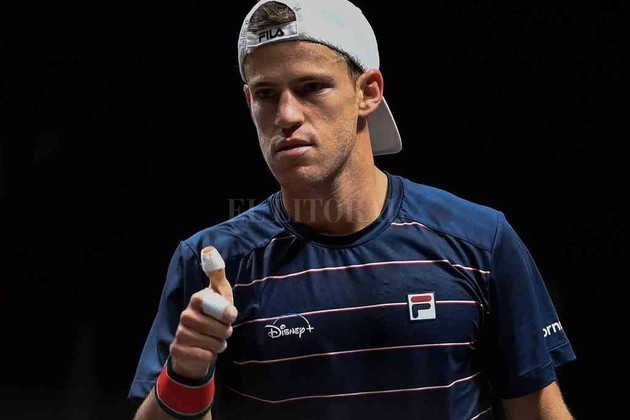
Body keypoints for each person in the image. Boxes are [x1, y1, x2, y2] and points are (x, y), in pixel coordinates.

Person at [128, 0, 576, 418]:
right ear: (249, 102)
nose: (286, 115)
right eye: (265, 94)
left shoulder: (481, 241)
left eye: (311, 87)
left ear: (368, 92)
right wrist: (185, 372)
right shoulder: (211, 264)